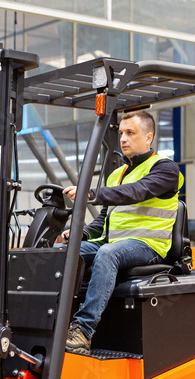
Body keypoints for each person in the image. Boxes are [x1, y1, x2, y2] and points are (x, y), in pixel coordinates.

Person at [60, 110, 183, 356]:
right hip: (117, 243)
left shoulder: (166, 169)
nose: (123, 138)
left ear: (148, 137)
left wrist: (92, 194)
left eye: (130, 133)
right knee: (63, 252)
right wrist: (77, 235)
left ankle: (83, 331)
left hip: (148, 246)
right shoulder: (117, 174)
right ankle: (55, 320)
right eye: (121, 133)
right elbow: (105, 220)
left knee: (107, 253)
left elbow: (138, 191)